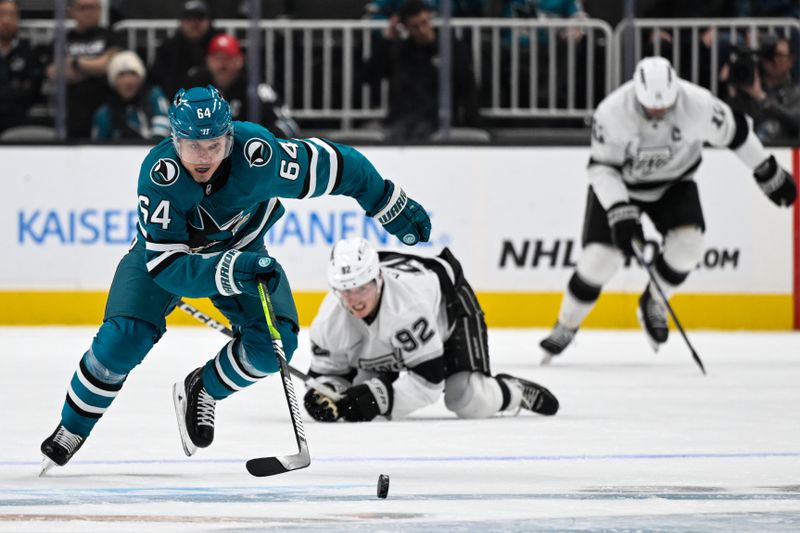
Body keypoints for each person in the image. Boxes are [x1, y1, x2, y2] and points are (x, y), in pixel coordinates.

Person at [39, 85, 432, 473]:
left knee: (274, 344)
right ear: (174, 141)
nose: (204, 156)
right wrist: (230, 271)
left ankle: (204, 388)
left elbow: (338, 165)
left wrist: (383, 199)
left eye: (214, 144)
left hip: (241, 252)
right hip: (166, 260)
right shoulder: (159, 177)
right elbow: (167, 269)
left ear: (229, 137)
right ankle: (72, 428)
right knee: (123, 339)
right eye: (193, 145)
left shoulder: (259, 156)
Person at [539, 56, 796, 364]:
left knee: (689, 247)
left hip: (675, 183)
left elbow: (736, 133)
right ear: (637, 94)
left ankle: (654, 300)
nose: (658, 112)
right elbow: (602, 169)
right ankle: (566, 324)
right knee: (600, 260)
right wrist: (620, 210)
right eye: (651, 107)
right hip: (622, 185)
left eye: (665, 105)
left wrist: (766, 170)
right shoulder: (612, 112)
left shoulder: (698, 104)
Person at [303, 238, 559, 423]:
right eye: (346, 290)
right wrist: (323, 394)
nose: (354, 300)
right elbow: (330, 375)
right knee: (358, 391)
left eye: (361, 288)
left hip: (448, 306)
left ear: (378, 279)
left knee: (467, 399)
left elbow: (429, 383)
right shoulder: (329, 322)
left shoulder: (407, 309)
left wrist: (379, 398)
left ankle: (512, 391)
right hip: (398, 329)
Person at [363, 0, 482, 141]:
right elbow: (370, 75)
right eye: (415, 26)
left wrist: (472, 121)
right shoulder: (400, 50)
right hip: (401, 118)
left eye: (424, 23)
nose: (421, 30)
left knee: (418, 131)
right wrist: (388, 39)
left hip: (438, 119)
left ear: (430, 18)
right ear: (406, 28)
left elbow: (467, 84)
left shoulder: (451, 47)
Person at [186, 33, 300, 138]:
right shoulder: (196, 90)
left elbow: (290, 126)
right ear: (208, 61)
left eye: (228, 58)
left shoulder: (258, 89)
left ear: (240, 60)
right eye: (217, 58)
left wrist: (260, 138)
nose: (222, 63)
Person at [43, 0, 121, 139]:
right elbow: (53, 72)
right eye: (82, 8)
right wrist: (94, 67)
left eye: (92, 8)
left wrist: (75, 63)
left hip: (105, 108)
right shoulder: (62, 39)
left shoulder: (110, 36)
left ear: (100, 10)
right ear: (72, 11)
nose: (87, 12)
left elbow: (109, 65)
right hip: (70, 111)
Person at [724, 34, 800, 143]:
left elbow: (795, 120)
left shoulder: (796, 92)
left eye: (779, 55)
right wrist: (732, 89)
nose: (774, 60)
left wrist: (761, 98)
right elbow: (732, 122)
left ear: (791, 60)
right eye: (770, 54)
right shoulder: (746, 86)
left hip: (784, 150)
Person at [149, 0, 222, 99]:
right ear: (181, 22)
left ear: (209, 21)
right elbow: (156, 81)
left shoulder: (220, 46)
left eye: (200, 18)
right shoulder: (168, 49)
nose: (194, 23)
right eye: (189, 18)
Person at [91, 50, 170, 141]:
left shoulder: (154, 96)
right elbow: (98, 149)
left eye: (133, 74)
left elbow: (165, 124)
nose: (128, 81)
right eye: (121, 75)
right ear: (113, 81)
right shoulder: (104, 114)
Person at [0, 0, 43, 134]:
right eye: (1, 14)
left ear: (18, 19)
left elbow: (33, 89)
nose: (6, 20)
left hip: (19, 122)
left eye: (12, 15)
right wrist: (14, 88)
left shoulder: (29, 51)